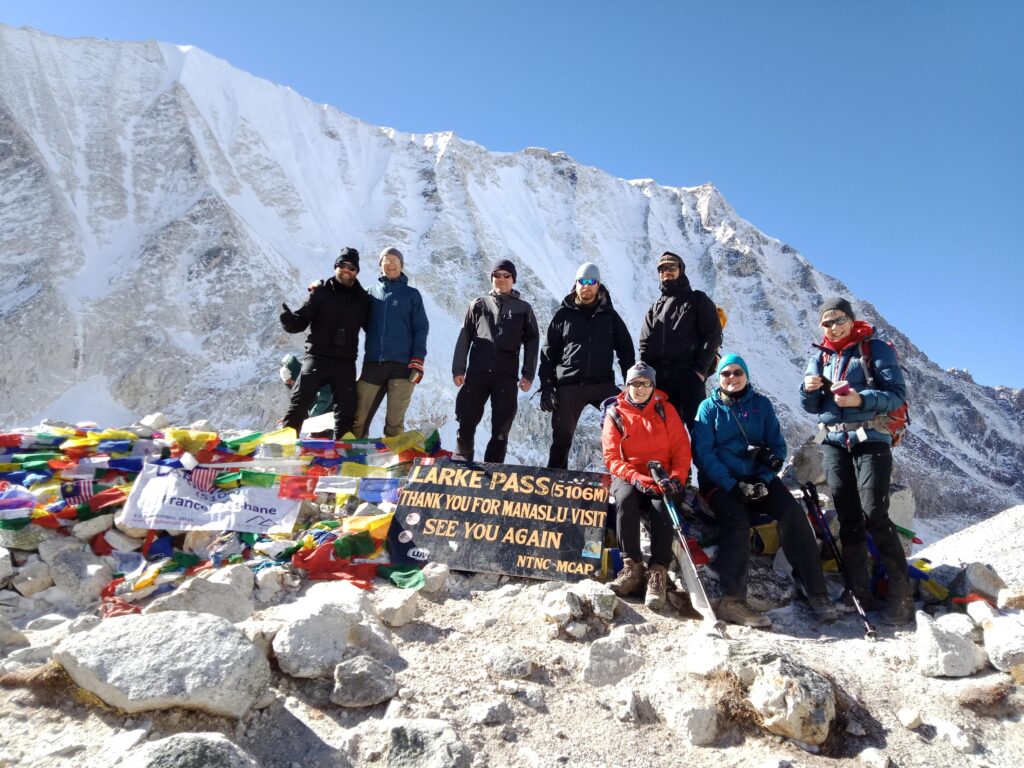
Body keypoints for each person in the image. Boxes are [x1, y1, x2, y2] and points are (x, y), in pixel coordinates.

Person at [692, 353, 838, 627]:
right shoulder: (708, 408)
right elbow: (703, 454)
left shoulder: (761, 405)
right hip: (720, 483)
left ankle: (817, 592)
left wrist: (762, 478)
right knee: (737, 521)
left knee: (793, 514)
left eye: (737, 373)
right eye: (726, 373)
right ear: (719, 378)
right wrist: (733, 486)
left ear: (746, 375)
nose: (731, 378)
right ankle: (732, 601)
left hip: (758, 479)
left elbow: (778, 447)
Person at [800, 297, 912, 625]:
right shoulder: (819, 356)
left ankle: (900, 594)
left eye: (838, 321)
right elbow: (810, 405)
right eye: (826, 323)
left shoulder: (874, 349)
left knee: (874, 512)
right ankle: (857, 589)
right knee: (848, 515)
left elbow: (896, 394)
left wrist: (860, 398)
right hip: (834, 441)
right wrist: (808, 389)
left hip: (871, 438)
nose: (832, 327)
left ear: (850, 320)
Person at [601, 362, 691, 610]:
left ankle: (658, 571)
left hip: (662, 474)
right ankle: (632, 568)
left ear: (653, 386)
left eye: (645, 383)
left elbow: (681, 450)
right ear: (626, 385)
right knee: (625, 500)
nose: (639, 389)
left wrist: (676, 478)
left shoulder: (666, 411)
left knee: (662, 505)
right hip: (630, 475)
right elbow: (612, 458)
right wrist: (638, 479)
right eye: (634, 383)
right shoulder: (616, 414)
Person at [538, 262, 635, 469]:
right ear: (576, 284)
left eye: (591, 282)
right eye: (582, 281)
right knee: (561, 440)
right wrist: (547, 386)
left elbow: (626, 350)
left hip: (603, 385)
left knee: (625, 426)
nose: (586, 286)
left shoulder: (610, 317)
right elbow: (548, 353)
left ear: (599, 285)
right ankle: (554, 484)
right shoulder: (563, 316)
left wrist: (631, 384)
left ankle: (626, 481)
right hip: (569, 385)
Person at [451, 259, 540, 462]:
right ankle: (461, 468)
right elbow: (464, 336)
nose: (501, 279)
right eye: (497, 275)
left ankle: (493, 474)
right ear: (491, 278)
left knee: (501, 430)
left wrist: (528, 374)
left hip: (506, 377)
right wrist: (458, 369)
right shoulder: (478, 304)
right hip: (476, 375)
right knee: (466, 423)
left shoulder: (523, 308)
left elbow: (533, 341)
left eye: (506, 275)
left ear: (513, 279)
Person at [279, 247, 370, 438]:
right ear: (336, 266)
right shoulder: (321, 292)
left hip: (345, 361)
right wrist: (288, 321)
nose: (347, 269)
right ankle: (285, 441)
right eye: (342, 265)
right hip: (317, 356)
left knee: (346, 408)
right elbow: (301, 320)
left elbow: (373, 329)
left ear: (357, 272)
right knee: (301, 399)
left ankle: (342, 450)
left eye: (351, 267)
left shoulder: (363, 300)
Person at [350, 247, 430, 438]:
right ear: (380, 265)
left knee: (394, 425)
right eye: (386, 259)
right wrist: (321, 288)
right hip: (373, 364)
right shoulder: (369, 293)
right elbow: (348, 308)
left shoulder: (412, 295)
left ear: (401, 265)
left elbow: (421, 328)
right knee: (357, 420)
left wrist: (418, 360)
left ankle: (395, 465)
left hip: (403, 366)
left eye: (395, 259)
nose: (391, 263)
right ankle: (353, 464)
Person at [638, 251, 723, 425]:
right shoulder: (654, 309)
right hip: (660, 381)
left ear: (681, 270)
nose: (666, 271)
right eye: (661, 269)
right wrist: (646, 378)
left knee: (698, 430)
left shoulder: (698, 300)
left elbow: (713, 335)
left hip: (689, 376)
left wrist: (700, 370)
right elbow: (644, 346)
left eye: (671, 267)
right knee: (663, 432)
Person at [279, 353, 332, 417]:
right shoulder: (300, 384)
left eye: (289, 381)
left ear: (293, 375)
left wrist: (313, 416)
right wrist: (291, 417)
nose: (291, 384)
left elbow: (325, 396)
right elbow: (301, 405)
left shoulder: (312, 372)